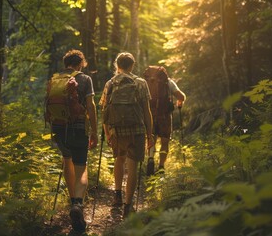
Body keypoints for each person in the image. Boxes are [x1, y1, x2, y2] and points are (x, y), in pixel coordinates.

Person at [100, 52, 154, 218]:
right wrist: (150, 135)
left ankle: (117, 194)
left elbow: (104, 110)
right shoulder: (141, 83)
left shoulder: (110, 83)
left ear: (117, 65)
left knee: (119, 160)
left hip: (116, 131)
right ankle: (128, 206)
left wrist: (107, 132)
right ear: (132, 65)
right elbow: (147, 111)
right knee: (132, 168)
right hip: (136, 131)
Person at [49, 50, 98, 232]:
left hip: (58, 129)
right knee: (81, 166)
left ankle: (72, 203)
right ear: (80, 63)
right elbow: (91, 106)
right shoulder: (85, 79)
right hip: (78, 129)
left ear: (66, 63)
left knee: (66, 160)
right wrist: (94, 130)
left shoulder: (55, 79)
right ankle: (77, 203)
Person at [147, 66, 186, 173]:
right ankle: (161, 166)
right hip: (164, 116)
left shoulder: (146, 82)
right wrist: (180, 101)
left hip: (150, 115)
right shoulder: (168, 82)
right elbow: (181, 97)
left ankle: (150, 158)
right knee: (164, 141)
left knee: (151, 138)